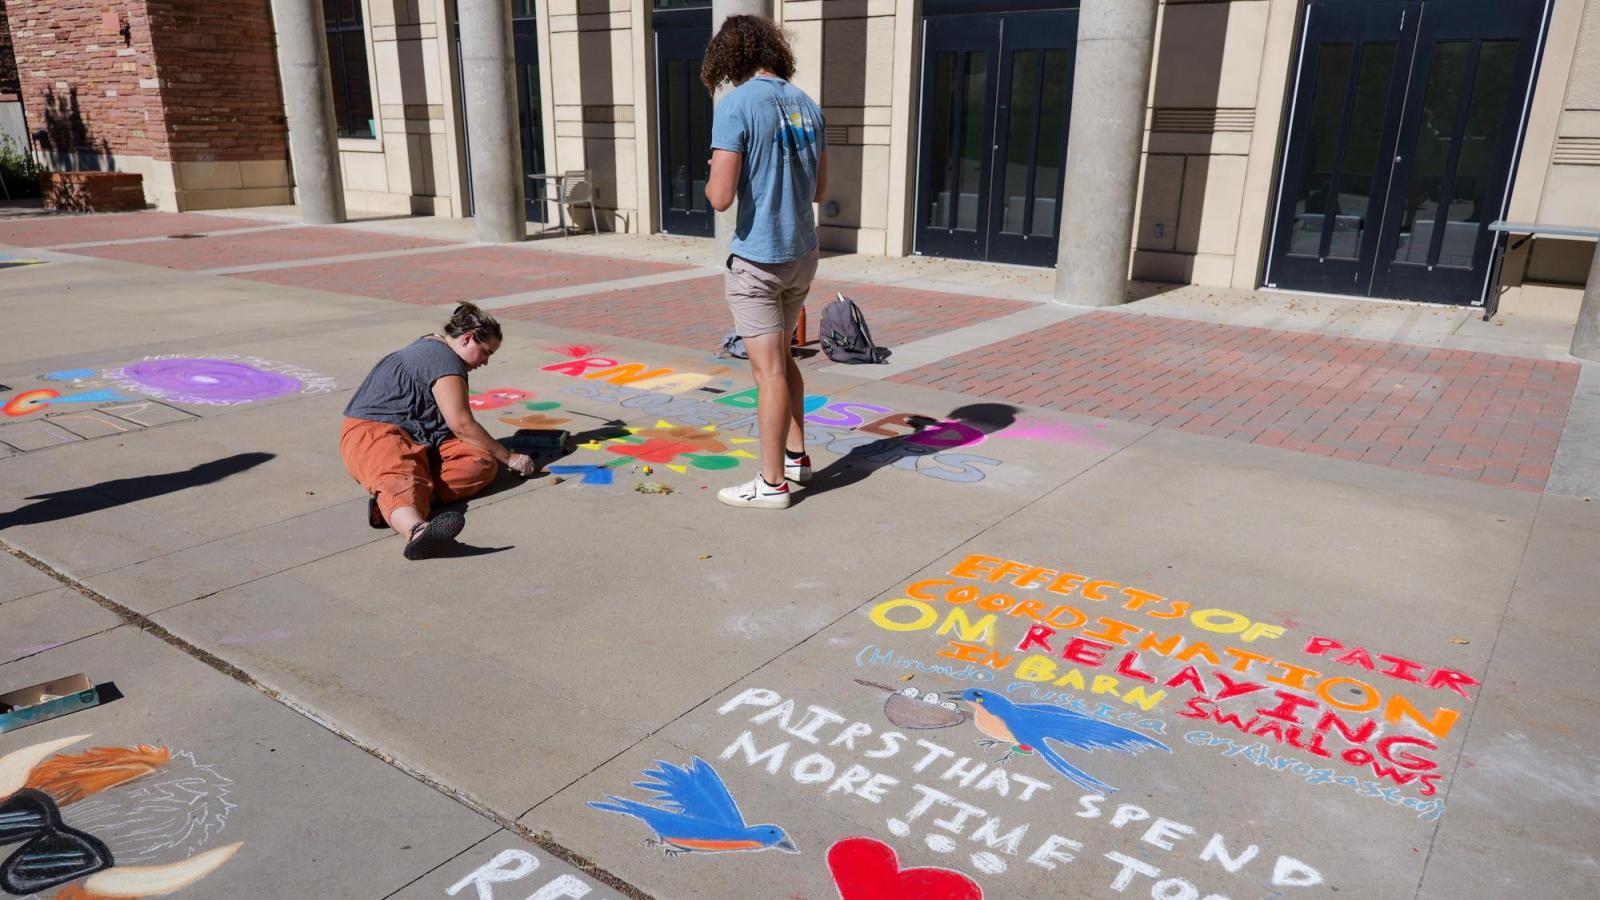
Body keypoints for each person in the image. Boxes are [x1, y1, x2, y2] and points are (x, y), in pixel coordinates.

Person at [702, 14, 827, 510]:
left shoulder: (735, 106)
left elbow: (720, 198)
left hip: (759, 258)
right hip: (802, 253)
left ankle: (772, 482)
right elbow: (819, 190)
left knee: (768, 373)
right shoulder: (807, 105)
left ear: (729, 56)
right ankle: (797, 458)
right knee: (785, 360)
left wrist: (714, 169)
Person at [339, 303, 536, 559]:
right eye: (485, 352)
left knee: (480, 462)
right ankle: (416, 530)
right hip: (376, 431)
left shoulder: (437, 348)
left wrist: (496, 457)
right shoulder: (443, 360)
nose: (485, 362)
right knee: (398, 474)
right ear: (467, 339)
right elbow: (462, 425)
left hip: (422, 438)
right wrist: (510, 458)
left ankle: (400, 504)